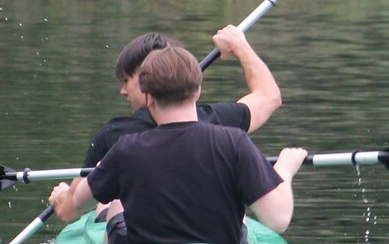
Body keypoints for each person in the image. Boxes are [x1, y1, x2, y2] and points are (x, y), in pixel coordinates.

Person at [49, 45, 308, 244]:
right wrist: (285, 169)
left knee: (113, 203)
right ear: (197, 91)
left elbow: (79, 202)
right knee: (239, 215)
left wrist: (86, 182)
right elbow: (279, 220)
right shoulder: (234, 142)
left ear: (149, 98)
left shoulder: (125, 149)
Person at [82, 25, 281, 169]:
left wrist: (69, 194)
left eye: (126, 80)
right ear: (197, 91)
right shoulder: (215, 124)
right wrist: (240, 46)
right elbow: (269, 96)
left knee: (102, 202)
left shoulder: (115, 134)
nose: (123, 91)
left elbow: (72, 205)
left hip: (130, 214)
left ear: (145, 79)